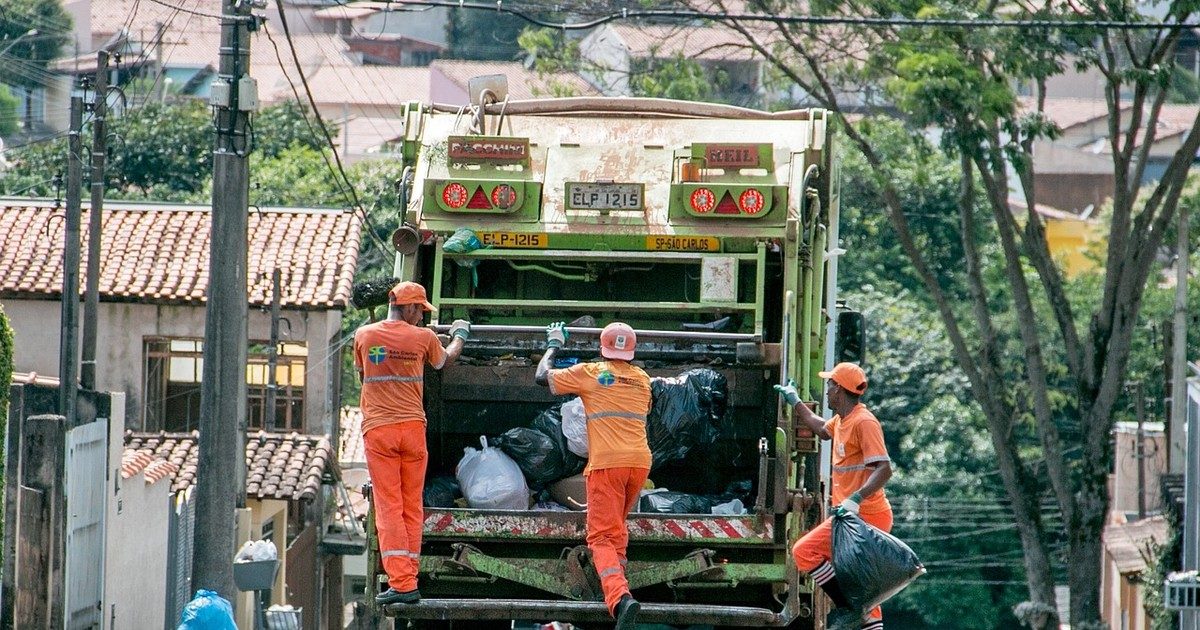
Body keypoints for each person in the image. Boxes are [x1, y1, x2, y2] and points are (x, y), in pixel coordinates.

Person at [353, 281, 471, 606]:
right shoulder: (424, 338)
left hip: (379, 432)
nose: (421, 316)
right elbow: (445, 362)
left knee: (389, 507)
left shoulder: (364, 336)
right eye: (419, 309)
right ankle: (409, 577)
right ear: (406, 307)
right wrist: (460, 334)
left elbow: (364, 377)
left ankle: (403, 583)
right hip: (412, 432)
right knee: (411, 506)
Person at [534, 321, 649, 630]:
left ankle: (618, 599)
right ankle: (618, 589)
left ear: (602, 348)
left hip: (607, 465)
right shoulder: (643, 379)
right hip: (638, 464)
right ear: (632, 351)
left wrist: (555, 344)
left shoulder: (592, 373)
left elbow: (541, 377)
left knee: (599, 536)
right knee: (616, 532)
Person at [775, 362, 892, 630]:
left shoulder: (864, 422)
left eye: (829, 386)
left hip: (866, 516)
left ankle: (850, 607)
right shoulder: (842, 420)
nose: (826, 391)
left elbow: (884, 469)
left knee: (804, 551)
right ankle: (854, 609)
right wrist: (795, 402)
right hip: (852, 517)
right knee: (863, 589)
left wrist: (856, 499)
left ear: (838, 389)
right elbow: (820, 429)